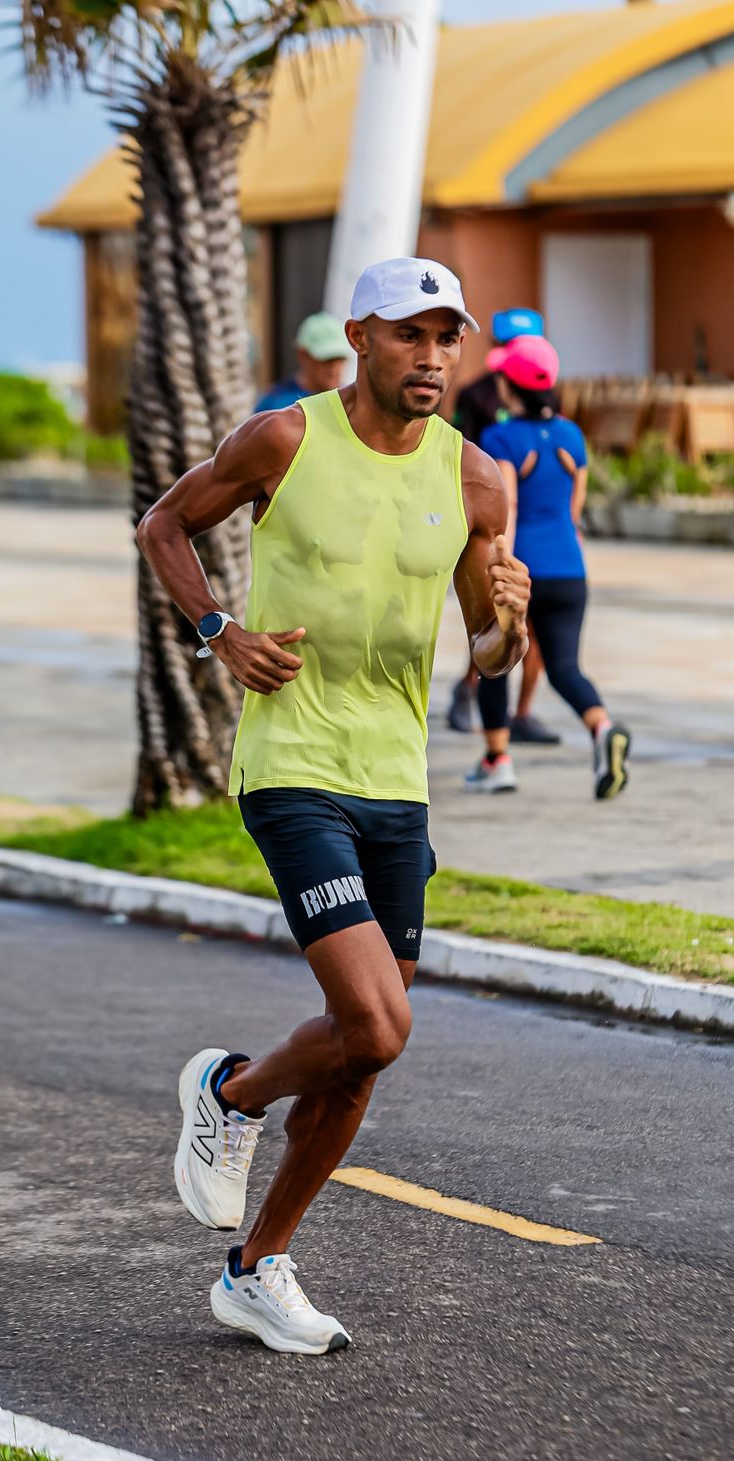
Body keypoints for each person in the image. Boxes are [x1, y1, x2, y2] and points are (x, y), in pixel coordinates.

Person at [137, 257, 530, 1355]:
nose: (433, 356)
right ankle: (230, 1093)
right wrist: (221, 633)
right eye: (411, 334)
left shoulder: (476, 480)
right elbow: (164, 524)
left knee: (366, 1048)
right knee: (376, 1023)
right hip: (295, 764)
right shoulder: (285, 439)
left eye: (449, 337)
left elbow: (487, 658)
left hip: (393, 781)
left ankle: (256, 1266)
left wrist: (509, 620)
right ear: (359, 336)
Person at [464, 333, 631, 800]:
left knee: (493, 661)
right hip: (570, 568)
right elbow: (575, 505)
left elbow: (507, 504)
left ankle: (497, 761)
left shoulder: (500, 437)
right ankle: (602, 728)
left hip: (525, 568)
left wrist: (501, 563)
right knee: (563, 668)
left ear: (509, 386)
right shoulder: (571, 434)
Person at [446, 307, 558, 746]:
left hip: (535, 525)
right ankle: (469, 688)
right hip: (489, 524)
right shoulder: (475, 395)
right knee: (490, 615)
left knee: (530, 621)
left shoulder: (548, 394)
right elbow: (458, 448)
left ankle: (522, 712)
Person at [253, 312, 349, 412]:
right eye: (326, 359)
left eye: (340, 359)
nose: (334, 368)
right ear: (302, 355)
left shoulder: (352, 403)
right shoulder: (275, 403)